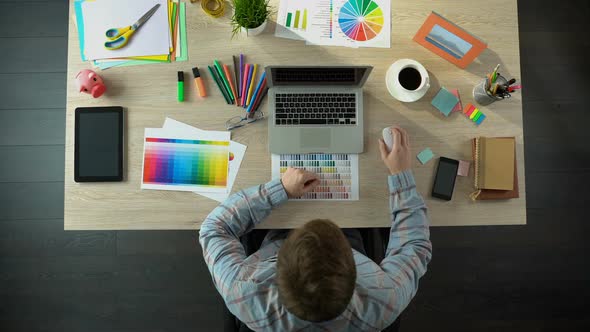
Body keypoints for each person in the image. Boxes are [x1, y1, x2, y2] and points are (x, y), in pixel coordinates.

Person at [199, 126, 432, 331]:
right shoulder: (384, 300)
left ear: (278, 266)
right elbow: (414, 246)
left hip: (278, 231)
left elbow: (213, 228)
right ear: (353, 270)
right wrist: (401, 174)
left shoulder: (243, 291)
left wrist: (280, 189)